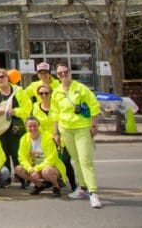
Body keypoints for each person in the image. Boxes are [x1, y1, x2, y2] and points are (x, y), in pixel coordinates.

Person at [52, 63, 102, 208]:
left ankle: (93, 193)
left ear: (70, 72)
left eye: (65, 72)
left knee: (85, 160)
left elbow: (94, 106)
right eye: (60, 73)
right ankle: (83, 188)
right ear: (57, 76)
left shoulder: (80, 88)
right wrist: (56, 133)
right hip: (65, 129)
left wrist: (94, 126)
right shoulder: (56, 92)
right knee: (77, 160)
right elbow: (55, 114)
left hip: (81, 128)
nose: (63, 75)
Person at [0, 68, 32, 186]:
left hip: (16, 127)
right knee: (2, 152)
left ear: (7, 78)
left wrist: (15, 111)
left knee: (18, 153)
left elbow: (28, 109)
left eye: (2, 77)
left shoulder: (19, 91)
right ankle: (5, 178)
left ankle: (23, 178)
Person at [16, 116, 65, 198]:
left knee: (46, 171)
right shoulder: (24, 139)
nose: (33, 128)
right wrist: (31, 170)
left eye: (35, 126)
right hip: (35, 167)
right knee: (18, 169)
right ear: (26, 127)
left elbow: (51, 158)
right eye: (30, 126)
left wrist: (36, 169)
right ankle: (39, 185)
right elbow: (22, 157)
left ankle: (56, 186)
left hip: (52, 167)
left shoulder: (48, 138)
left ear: (39, 126)